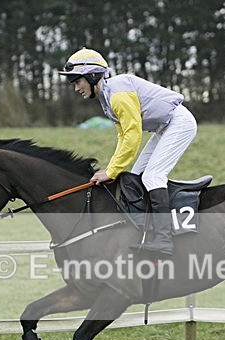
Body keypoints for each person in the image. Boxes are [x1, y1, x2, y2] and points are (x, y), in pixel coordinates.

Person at [58, 47, 197, 256]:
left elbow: (133, 135)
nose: (76, 87)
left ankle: (164, 240)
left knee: (152, 176)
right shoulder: (107, 97)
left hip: (179, 123)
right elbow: (123, 136)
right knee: (137, 177)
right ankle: (147, 232)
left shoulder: (117, 95)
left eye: (77, 81)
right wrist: (111, 169)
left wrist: (112, 171)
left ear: (92, 75)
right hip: (165, 126)